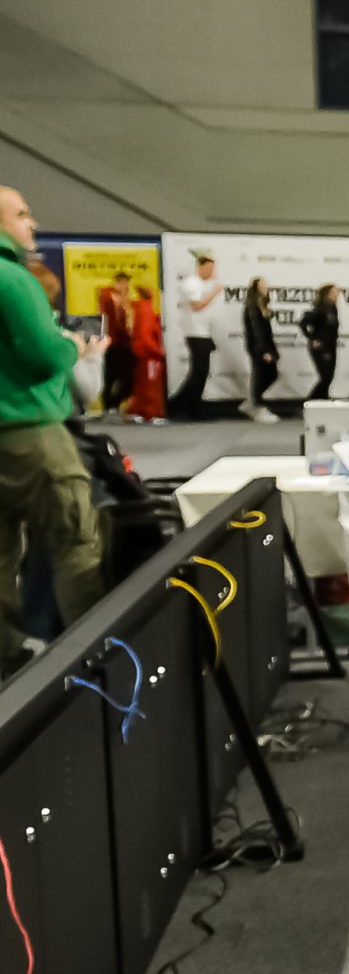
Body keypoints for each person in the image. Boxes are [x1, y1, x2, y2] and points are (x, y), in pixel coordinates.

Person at [0, 187, 106, 672]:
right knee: (75, 538)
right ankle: (93, 658)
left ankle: (8, 658)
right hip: (30, 430)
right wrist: (74, 347)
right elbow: (45, 356)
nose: (33, 223)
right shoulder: (13, 278)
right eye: (22, 214)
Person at [167, 251, 222, 419]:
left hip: (201, 333)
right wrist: (214, 292)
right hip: (196, 334)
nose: (212, 273)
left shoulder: (197, 284)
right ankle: (177, 406)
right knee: (198, 373)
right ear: (201, 267)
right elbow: (196, 306)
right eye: (210, 269)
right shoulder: (192, 283)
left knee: (200, 373)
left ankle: (192, 407)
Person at [242, 277, 283, 424]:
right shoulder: (252, 307)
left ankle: (250, 402)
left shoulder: (262, 305)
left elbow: (266, 331)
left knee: (272, 374)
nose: (266, 287)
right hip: (258, 348)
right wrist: (263, 351)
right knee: (260, 376)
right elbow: (256, 331)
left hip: (266, 345)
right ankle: (257, 407)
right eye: (262, 285)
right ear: (256, 288)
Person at [125, 284, 166, 422]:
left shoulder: (138, 308)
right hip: (149, 353)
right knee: (151, 384)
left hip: (141, 351)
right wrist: (157, 351)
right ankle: (151, 412)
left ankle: (139, 411)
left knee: (142, 383)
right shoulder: (146, 310)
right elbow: (145, 335)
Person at [97, 270, 133, 418]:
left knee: (128, 375)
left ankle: (115, 403)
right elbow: (106, 317)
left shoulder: (125, 298)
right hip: (112, 341)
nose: (126, 286)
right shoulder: (108, 295)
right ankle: (108, 405)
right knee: (110, 375)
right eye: (124, 283)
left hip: (124, 341)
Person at [301, 283, 342, 402]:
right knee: (325, 377)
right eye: (333, 292)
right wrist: (313, 338)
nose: (336, 295)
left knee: (329, 377)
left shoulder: (333, 308)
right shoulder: (319, 309)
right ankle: (310, 401)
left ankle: (323, 401)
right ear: (326, 294)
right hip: (321, 347)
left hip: (331, 346)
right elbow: (303, 323)